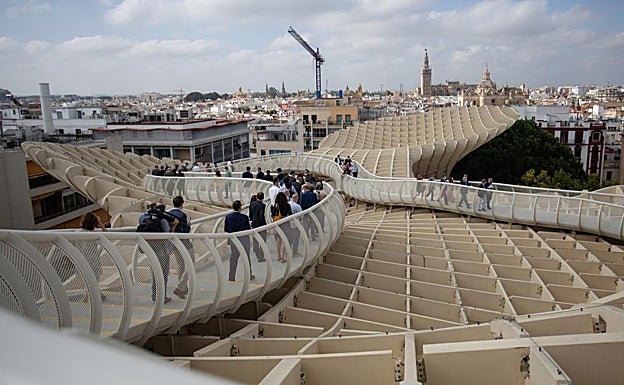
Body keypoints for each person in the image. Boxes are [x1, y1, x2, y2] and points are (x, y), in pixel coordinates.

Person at [138, 202, 178, 304]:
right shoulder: (162, 219)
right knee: (163, 274)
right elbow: (168, 235)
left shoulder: (142, 217)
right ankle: (162, 297)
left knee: (155, 273)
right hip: (161, 250)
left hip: (150, 249)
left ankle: (154, 294)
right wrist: (174, 226)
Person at [168, 196, 194, 299]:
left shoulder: (168, 213)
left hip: (173, 243)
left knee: (180, 265)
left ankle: (183, 288)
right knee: (190, 264)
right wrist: (189, 225)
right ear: (182, 204)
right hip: (184, 242)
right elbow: (186, 230)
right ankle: (181, 287)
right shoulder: (184, 214)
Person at [224, 200, 254, 281]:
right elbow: (247, 229)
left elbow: (226, 229)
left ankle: (231, 276)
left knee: (234, 258)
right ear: (240, 207)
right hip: (244, 239)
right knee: (246, 258)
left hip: (233, 240)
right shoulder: (244, 218)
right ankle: (249, 274)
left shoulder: (228, 217)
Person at [272, 192, 292, 262]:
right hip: (285, 223)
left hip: (278, 224)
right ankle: (283, 256)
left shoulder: (276, 205)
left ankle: (279, 255)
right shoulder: (287, 205)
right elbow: (290, 214)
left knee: (278, 240)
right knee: (284, 240)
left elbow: (273, 214)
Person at [249, 191, 267, 262]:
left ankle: (256, 252)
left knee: (255, 239)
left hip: (254, 223)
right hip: (260, 224)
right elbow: (261, 216)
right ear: (263, 198)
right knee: (262, 240)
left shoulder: (252, 204)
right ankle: (260, 256)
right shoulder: (262, 205)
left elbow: (250, 214)